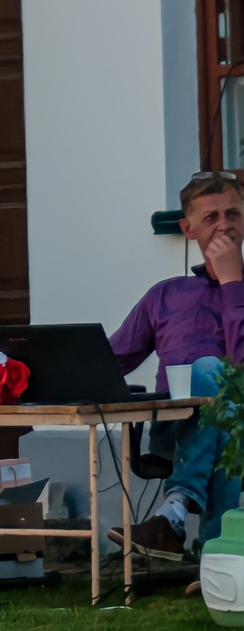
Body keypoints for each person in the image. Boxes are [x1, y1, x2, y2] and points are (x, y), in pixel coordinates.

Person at [109, 171, 244, 554]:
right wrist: (28, 371)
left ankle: (175, 512)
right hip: (176, 430)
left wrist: (232, 283)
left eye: (233, 214)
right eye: (211, 217)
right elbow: (111, 359)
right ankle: (218, 554)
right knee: (218, 406)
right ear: (188, 229)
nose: (224, 225)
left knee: (212, 378)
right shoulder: (166, 295)